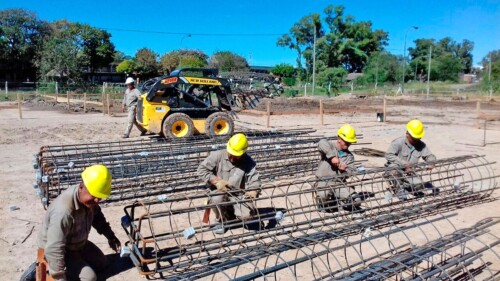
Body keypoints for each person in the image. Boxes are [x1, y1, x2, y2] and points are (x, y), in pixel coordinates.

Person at [37, 165, 121, 281]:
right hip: (62, 249)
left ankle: (76, 263)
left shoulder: (89, 201)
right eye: (94, 196)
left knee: (101, 263)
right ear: (81, 187)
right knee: (90, 278)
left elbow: (98, 218)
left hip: (78, 244)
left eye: (100, 197)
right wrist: (58, 277)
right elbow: (54, 247)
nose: (96, 201)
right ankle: (45, 266)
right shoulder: (63, 212)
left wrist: (110, 236)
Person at [197, 133, 261, 234]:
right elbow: (201, 170)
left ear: (243, 153)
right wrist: (216, 181)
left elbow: (254, 179)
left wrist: (253, 190)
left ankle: (233, 213)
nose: (232, 156)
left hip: (238, 195)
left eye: (236, 155)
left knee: (247, 217)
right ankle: (221, 221)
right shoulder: (218, 155)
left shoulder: (248, 162)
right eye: (231, 153)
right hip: (219, 193)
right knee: (216, 198)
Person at [315, 124, 370, 213]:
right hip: (323, 181)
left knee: (356, 200)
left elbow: (350, 172)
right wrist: (332, 156)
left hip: (339, 183)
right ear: (339, 139)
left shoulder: (349, 156)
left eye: (350, 142)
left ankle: (339, 200)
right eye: (347, 142)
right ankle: (322, 202)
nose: (349, 144)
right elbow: (321, 142)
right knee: (323, 196)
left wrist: (343, 170)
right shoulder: (330, 146)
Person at [384, 119, 437, 199]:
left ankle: (405, 185)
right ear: (407, 134)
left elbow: (429, 156)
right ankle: (399, 189)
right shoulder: (398, 142)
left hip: (410, 172)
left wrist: (431, 162)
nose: (416, 140)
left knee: (420, 185)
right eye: (414, 138)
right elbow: (388, 155)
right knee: (394, 170)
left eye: (418, 138)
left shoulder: (421, 144)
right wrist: (403, 164)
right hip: (396, 169)